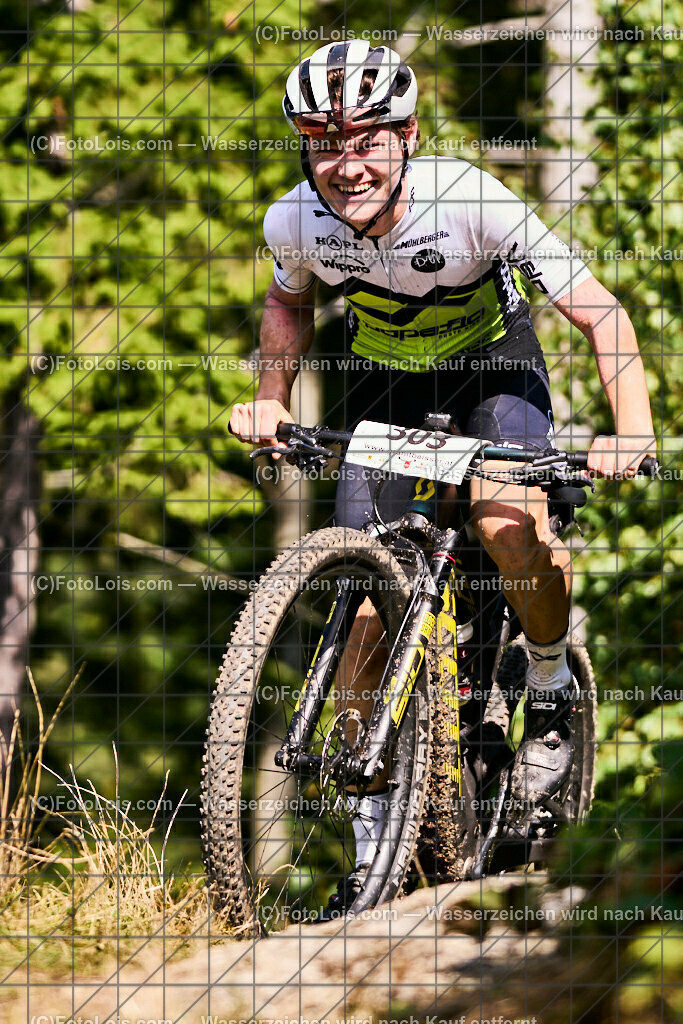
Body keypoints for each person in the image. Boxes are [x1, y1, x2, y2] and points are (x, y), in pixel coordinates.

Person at [229, 41, 657, 914]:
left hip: (492, 373)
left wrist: (631, 430)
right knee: (359, 610)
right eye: (322, 141)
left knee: (506, 529)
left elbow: (597, 311)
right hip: (386, 386)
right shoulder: (293, 222)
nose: (344, 163)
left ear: (408, 136)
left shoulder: (469, 199)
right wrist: (270, 401)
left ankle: (544, 684)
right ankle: (375, 845)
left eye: (366, 140)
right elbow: (287, 302)